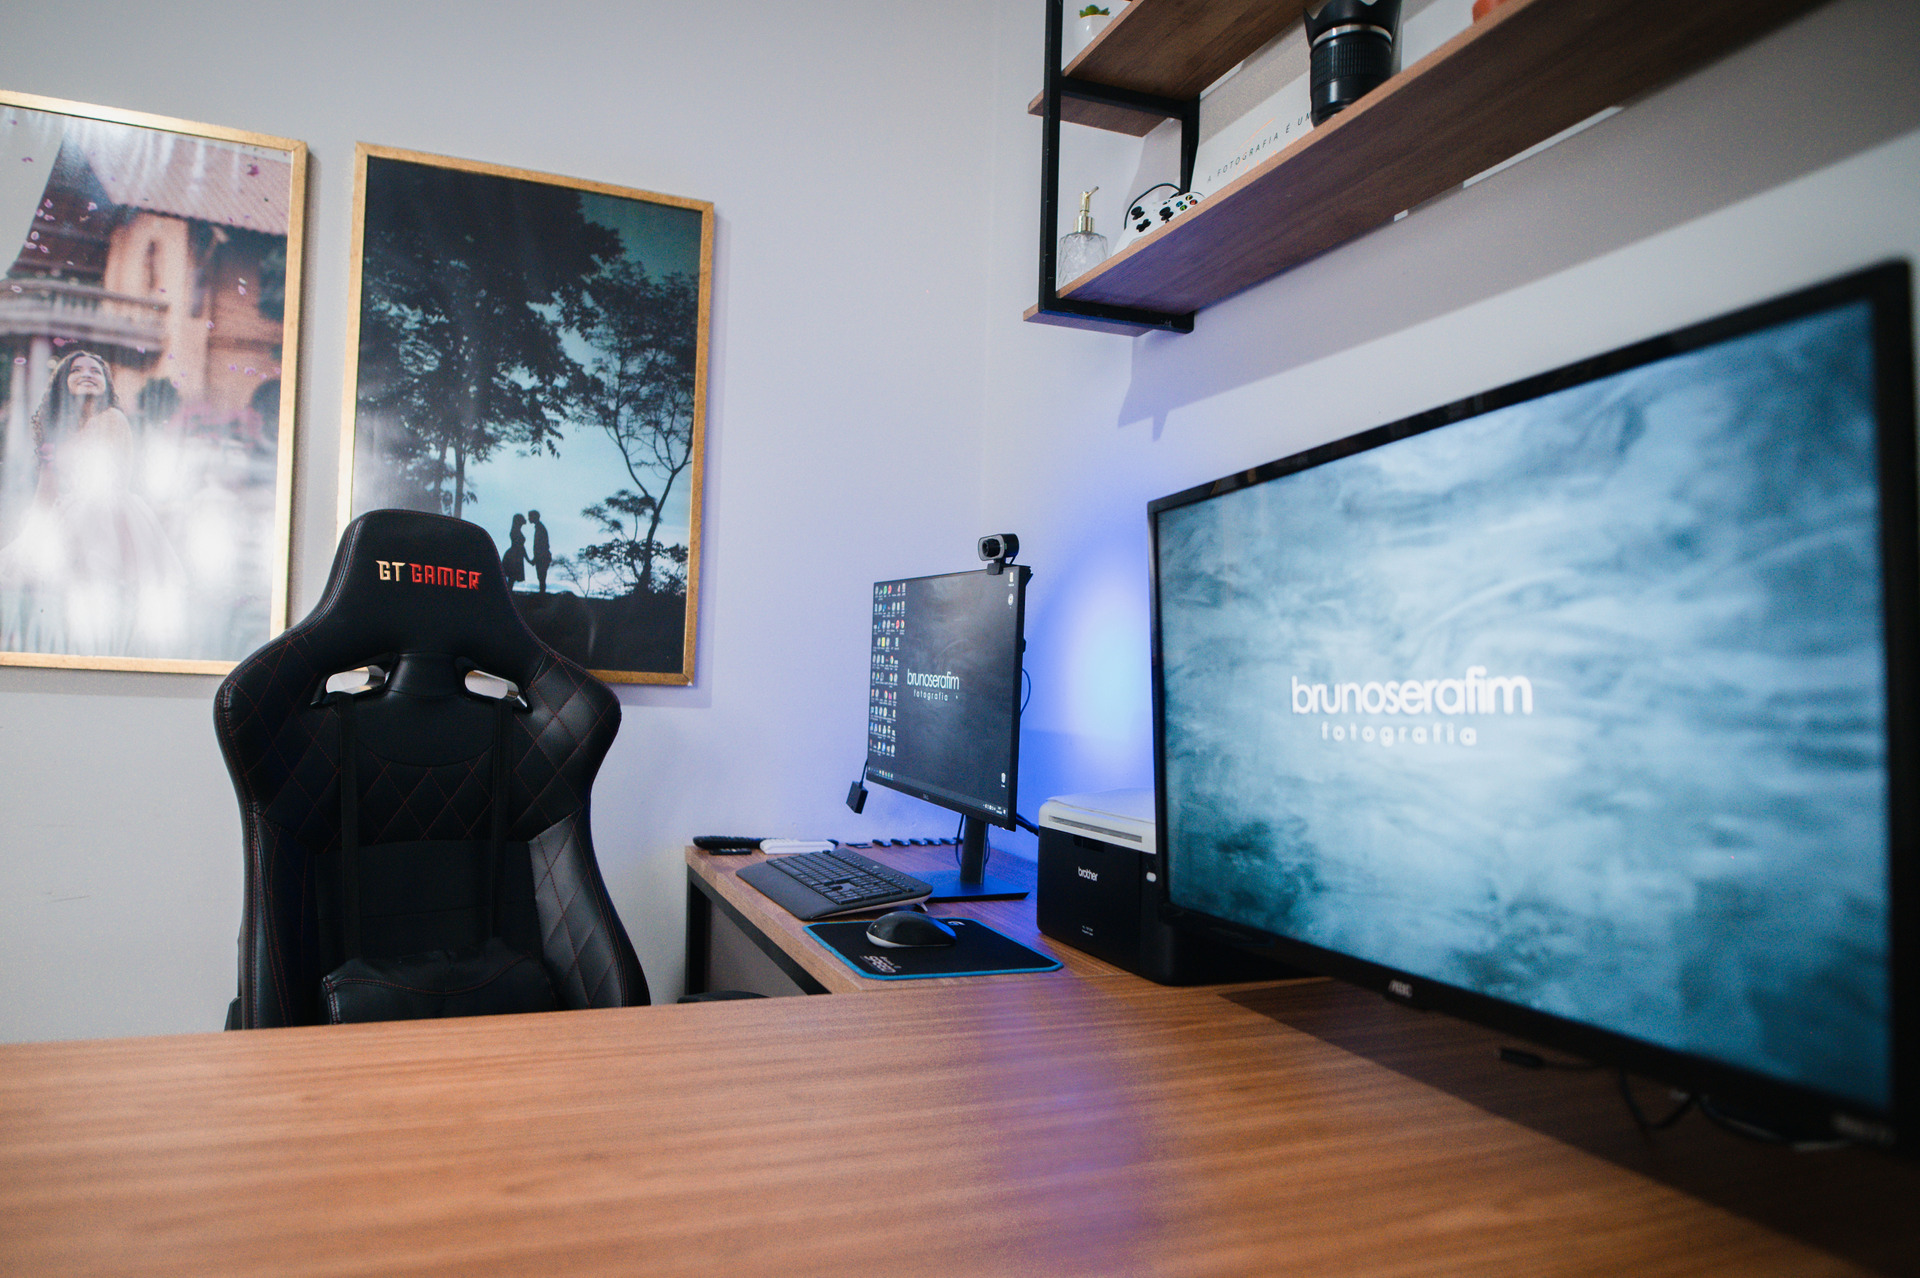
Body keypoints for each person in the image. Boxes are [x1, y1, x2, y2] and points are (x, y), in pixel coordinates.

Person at [0, 349, 186, 656]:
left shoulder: (112, 418)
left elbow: (113, 478)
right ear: (63, 381)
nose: (87, 374)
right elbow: (46, 490)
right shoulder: (57, 431)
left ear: (106, 383)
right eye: (76, 370)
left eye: (96, 370)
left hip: (105, 514)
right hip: (69, 512)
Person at [529, 509, 551, 593]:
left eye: (530, 517)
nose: (529, 519)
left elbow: (541, 545)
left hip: (542, 557)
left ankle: (542, 594)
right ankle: (542, 593)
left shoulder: (540, 528)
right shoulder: (539, 528)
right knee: (541, 577)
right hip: (542, 556)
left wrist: (536, 558)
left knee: (541, 577)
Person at [502, 513, 527, 588]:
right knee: (512, 576)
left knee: (512, 578)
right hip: (514, 556)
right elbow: (521, 546)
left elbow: (521, 547)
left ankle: (509, 591)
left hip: (516, 555)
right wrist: (528, 559)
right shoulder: (515, 532)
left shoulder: (516, 531)